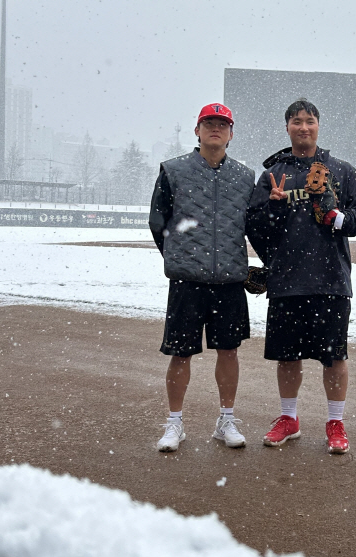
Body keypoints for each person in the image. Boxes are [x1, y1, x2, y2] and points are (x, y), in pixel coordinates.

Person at [246, 99, 356, 454]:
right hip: (287, 281)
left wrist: (337, 217)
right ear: (287, 126)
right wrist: (272, 210)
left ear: (319, 126)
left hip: (330, 279)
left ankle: (335, 423)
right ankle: (289, 418)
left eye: (310, 121)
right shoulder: (273, 174)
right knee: (288, 356)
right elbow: (254, 227)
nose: (303, 127)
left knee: (334, 357)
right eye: (297, 121)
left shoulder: (341, 171)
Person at [149, 102, 255, 452]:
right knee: (180, 354)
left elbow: (253, 226)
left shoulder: (244, 176)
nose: (215, 129)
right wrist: (179, 257)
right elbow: (158, 221)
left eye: (222, 124)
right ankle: (174, 423)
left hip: (229, 280)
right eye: (208, 123)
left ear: (231, 133)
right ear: (197, 130)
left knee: (229, 351)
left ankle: (226, 420)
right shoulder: (173, 170)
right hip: (187, 281)